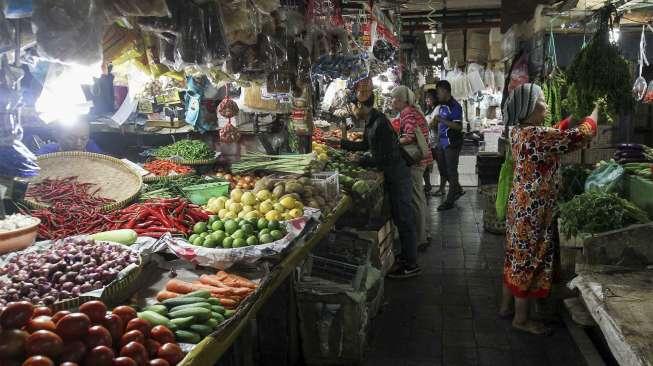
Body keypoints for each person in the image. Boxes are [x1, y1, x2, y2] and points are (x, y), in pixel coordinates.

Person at [499, 83, 598, 335]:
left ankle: (506, 307)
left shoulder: (521, 132)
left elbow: (553, 134)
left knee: (516, 254)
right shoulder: (537, 136)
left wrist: (569, 119)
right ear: (530, 108)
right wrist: (593, 114)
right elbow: (579, 137)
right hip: (534, 209)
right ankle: (521, 320)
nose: (546, 104)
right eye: (541, 100)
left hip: (521, 204)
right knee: (530, 257)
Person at [341, 79, 421, 278]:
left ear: (360, 105)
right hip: (394, 174)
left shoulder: (378, 125)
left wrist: (360, 162)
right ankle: (405, 257)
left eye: (352, 105)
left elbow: (382, 157)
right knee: (401, 218)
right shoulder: (373, 120)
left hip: (397, 175)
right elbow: (367, 145)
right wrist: (343, 144)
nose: (351, 110)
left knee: (404, 219)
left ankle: (411, 264)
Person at [391, 85, 433, 252]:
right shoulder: (414, 110)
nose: (392, 101)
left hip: (415, 161)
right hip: (422, 160)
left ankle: (420, 239)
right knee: (420, 198)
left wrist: (393, 143)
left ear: (401, 100)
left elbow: (409, 137)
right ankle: (425, 233)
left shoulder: (407, 112)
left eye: (394, 98)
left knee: (416, 199)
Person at [434, 80, 465, 211]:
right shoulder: (441, 105)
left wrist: (441, 120)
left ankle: (450, 200)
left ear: (445, 91)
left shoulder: (455, 106)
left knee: (451, 171)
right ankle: (457, 189)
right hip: (441, 143)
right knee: (443, 170)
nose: (437, 95)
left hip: (452, 143)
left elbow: (458, 126)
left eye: (439, 92)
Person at [423, 89, 447, 197]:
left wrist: (424, 125)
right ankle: (428, 186)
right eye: (426, 97)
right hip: (430, 143)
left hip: (438, 143)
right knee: (425, 165)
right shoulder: (430, 110)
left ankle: (442, 189)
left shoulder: (438, 109)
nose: (427, 99)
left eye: (429, 97)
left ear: (435, 98)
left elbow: (432, 125)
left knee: (442, 167)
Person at [36, 120, 103, 155]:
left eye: (84, 138)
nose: (78, 144)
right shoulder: (46, 153)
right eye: (71, 138)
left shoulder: (92, 148)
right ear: (56, 136)